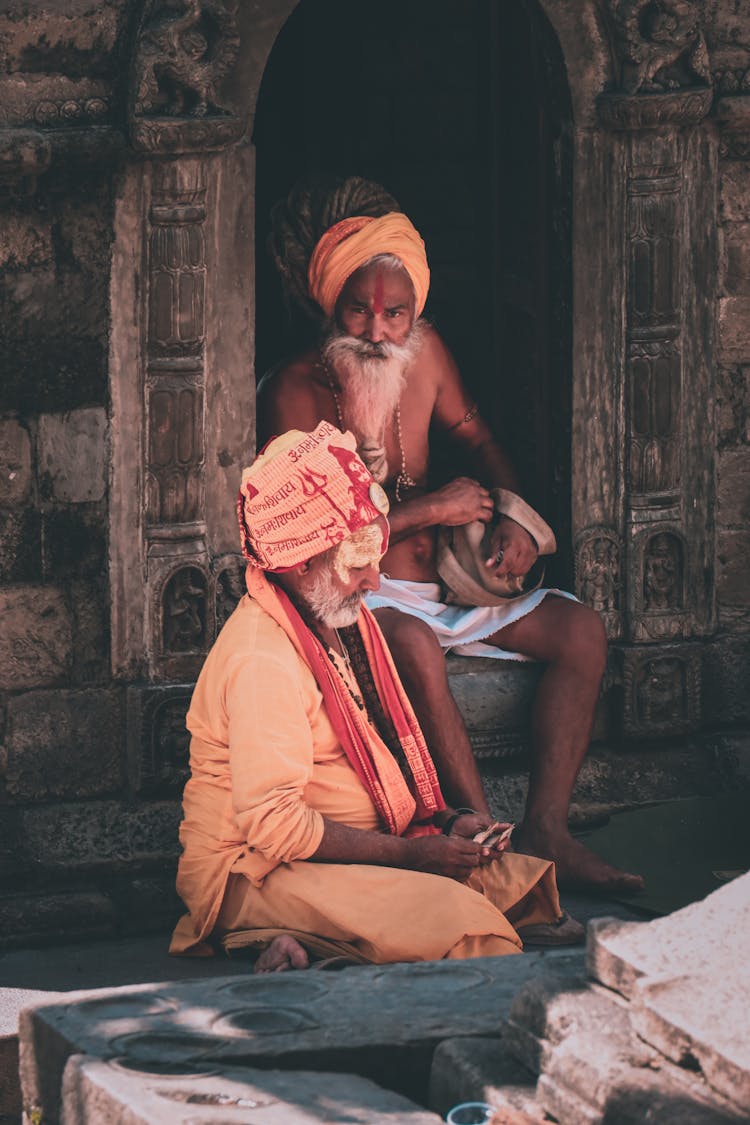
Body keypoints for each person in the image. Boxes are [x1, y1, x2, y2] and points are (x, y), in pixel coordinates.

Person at [257, 176, 643, 894]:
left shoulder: (426, 356)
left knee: (581, 630)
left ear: (416, 312)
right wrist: (428, 511)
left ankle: (546, 829)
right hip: (359, 599)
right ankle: (487, 845)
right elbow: (311, 543)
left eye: (395, 314)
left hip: (450, 590)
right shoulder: (294, 391)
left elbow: (481, 440)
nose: (377, 331)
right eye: (358, 311)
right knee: (410, 644)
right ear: (329, 305)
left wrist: (512, 516)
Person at [170, 423, 577, 970]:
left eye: (374, 553)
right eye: (356, 560)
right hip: (257, 870)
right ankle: (270, 933)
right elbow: (277, 828)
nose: (374, 577)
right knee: (468, 927)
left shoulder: (332, 617)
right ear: (300, 563)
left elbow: (374, 750)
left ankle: (314, 944)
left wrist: (445, 818)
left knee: (518, 889)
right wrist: (412, 854)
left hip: (347, 847)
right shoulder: (261, 658)